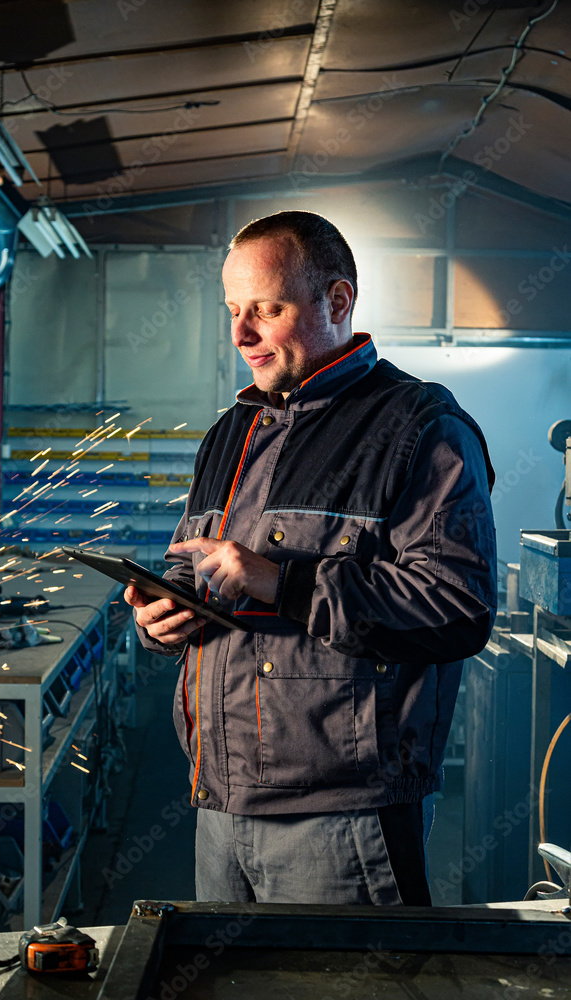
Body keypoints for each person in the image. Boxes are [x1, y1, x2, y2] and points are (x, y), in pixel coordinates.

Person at [125, 210, 497, 907]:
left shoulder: (417, 426)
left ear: (336, 301)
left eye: (266, 309)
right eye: (234, 311)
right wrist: (164, 608)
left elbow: (457, 610)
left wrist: (283, 581)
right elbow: (194, 560)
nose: (240, 334)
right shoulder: (231, 431)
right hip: (219, 800)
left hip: (341, 815)